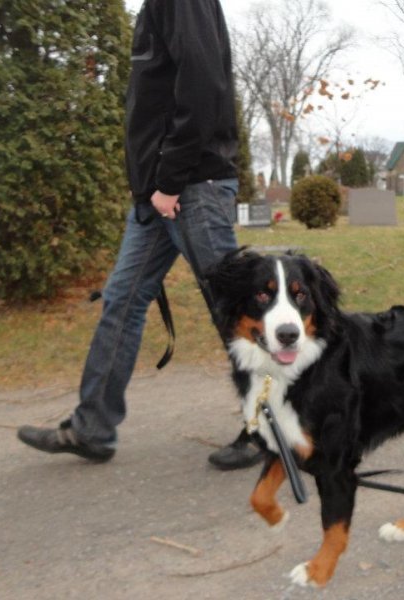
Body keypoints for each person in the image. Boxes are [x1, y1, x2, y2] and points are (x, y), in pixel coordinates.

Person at [17, 0, 261, 470]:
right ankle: (92, 428)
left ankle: (272, 425)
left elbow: (202, 84)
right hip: (160, 193)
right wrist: (155, 185)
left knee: (236, 306)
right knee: (122, 301)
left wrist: (171, 179)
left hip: (191, 186)